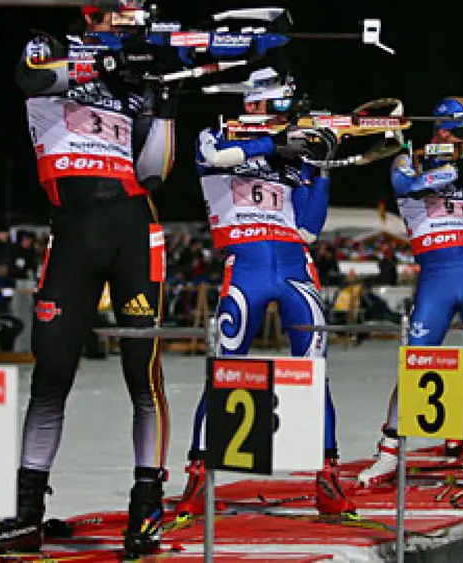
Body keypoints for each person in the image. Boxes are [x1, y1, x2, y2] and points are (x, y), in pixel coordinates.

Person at [0, 4, 178, 556]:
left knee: (143, 374)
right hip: (73, 229)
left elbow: (154, 171)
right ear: (94, 15)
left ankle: (147, 508)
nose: (130, 25)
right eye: (121, 15)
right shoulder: (51, 47)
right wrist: (107, 63)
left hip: (133, 226)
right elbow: (31, 79)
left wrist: (163, 103)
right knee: (52, 372)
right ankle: (27, 515)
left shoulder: (136, 73)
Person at [179, 67, 355, 517]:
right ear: (253, 101)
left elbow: (310, 228)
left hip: (296, 267)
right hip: (246, 266)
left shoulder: (294, 155)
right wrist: (273, 144)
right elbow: (212, 157)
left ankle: (327, 478)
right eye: (276, 103)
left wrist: (320, 166)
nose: (282, 112)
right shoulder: (218, 134)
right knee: (226, 368)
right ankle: (198, 478)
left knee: (314, 371)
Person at [356, 96, 463, 489]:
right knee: (415, 361)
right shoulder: (409, 158)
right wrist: (459, 169)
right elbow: (407, 185)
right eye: (461, 133)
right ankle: (388, 452)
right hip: (435, 277)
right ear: (444, 131)